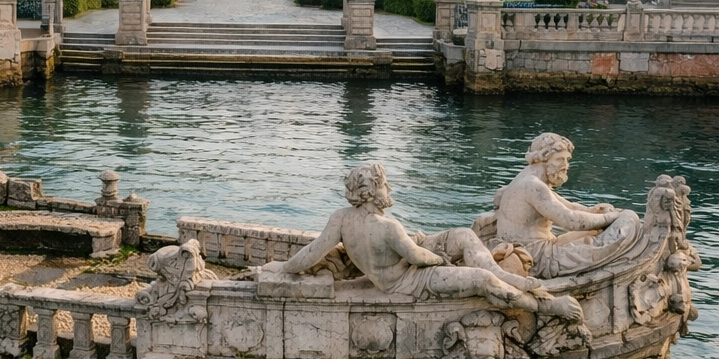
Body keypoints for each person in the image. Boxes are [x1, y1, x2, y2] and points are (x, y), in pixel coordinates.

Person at [263, 163, 582, 320]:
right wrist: (441, 260)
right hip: (410, 281)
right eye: (384, 185)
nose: (389, 189)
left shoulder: (340, 218)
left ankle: (503, 273)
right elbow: (417, 257)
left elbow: (311, 252)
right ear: (372, 191)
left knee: (463, 234)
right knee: (482, 280)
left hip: (401, 264)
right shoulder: (388, 227)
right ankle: (548, 306)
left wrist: (284, 268)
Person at [488, 133, 642, 278]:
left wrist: (593, 211)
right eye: (559, 159)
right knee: (626, 222)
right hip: (536, 258)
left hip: (538, 247)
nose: (565, 165)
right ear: (542, 159)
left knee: (602, 228)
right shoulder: (533, 186)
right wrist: (611, 217)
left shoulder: (528, 178)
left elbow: (569, 206)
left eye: (567, 159)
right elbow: (571, 220)